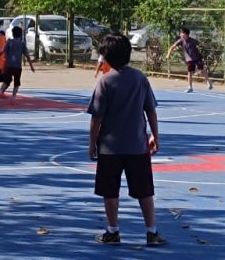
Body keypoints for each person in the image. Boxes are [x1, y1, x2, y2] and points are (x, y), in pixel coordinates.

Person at [87, 32, 166, 247]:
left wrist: (92, 143)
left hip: (110, 148)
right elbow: (151, 111)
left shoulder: (105, 82)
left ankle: (113, 232)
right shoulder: (140, 78)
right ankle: (152, 232)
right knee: (145, 190)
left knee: (110, 191)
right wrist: (155, 136)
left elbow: (97, 117)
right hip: (137, 146)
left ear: (106, 57)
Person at [0, 26, 35, 104]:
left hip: (9, 65)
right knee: (16, 83)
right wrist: (31, 66)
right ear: (20, 35)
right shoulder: (22, 44)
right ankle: (13, 98)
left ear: (12, 34)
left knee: (6, 81)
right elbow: (27, 56)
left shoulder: (9, 42)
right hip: (17, 67)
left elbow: (2, 51)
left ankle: (0, 92)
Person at [166, 28, 213, 93]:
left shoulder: (192, 41)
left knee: (202, 70)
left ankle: (208, 81)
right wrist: (168, 54)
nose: (181, 35)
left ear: (187, 35)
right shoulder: (180, 41)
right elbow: (172, 47)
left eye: (183, 34)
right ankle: (190, 87)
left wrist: (206, 46)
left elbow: (200, 43)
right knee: (190, 72)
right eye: (181, 34)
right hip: (189, 59)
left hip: (197, 57)